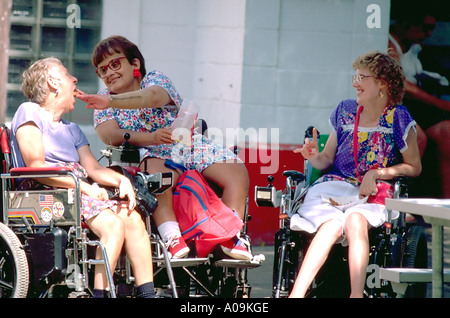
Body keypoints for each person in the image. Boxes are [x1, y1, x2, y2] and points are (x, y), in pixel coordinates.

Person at [75, 35, 252, 260]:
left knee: (236, 170)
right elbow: (108, 134)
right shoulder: (102, 98)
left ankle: (230, 236)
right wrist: (151, 138)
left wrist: (111, 102)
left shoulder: (154, 80)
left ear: (135, 64)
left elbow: (153, 98)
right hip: (149, 152)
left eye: (115, 64)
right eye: (102, 70)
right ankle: (172, 237)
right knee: (160, 178)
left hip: (186, 144)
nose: (109, 73)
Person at [9, 57, 156, 298]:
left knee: (132, 217)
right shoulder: (29, 111)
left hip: (76, 188)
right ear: (54, 82)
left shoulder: (72, 129)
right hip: (42, 189)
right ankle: (100, 294)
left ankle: (147, 294)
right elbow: (35, 166)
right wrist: (85, 188)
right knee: (112, 225)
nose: (75, 80)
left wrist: (122, 181)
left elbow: (94, 170)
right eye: (67, 75)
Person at [288, 51, 422, 298]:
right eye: (355, 75)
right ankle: (296, 294)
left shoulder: (398, 117)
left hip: (373, 190)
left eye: (362, 77)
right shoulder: (345, 111)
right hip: (335, 186)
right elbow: (326, 159)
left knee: (355, 221)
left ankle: (356, 294)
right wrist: (313, 156)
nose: (354, 82)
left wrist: (379, 172)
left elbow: (414, 166)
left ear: (382, 83)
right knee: (329, 226)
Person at [389, 10, 450, 198]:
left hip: (413, 108)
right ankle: (395, 201)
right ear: (406, 24)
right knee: (416, 137)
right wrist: (440, 104)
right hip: (393, 106)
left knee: (447, 132)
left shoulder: (413, 47)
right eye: (425, 28)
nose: (429, 34)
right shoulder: (388, 43)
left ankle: (446, 204)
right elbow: (402, 86)